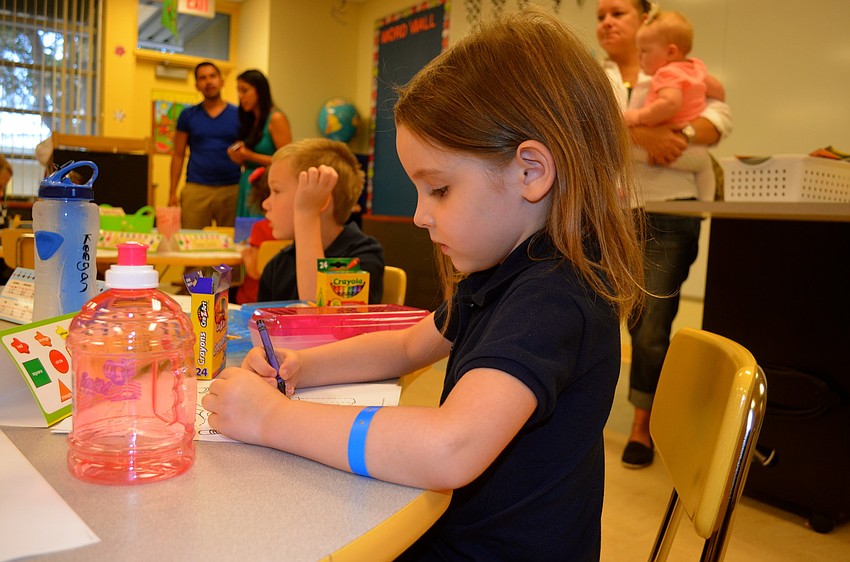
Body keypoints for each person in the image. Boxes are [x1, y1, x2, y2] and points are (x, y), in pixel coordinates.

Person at [203, 10, 644, 559]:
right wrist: (304, 365)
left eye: (438, 189)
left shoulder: (554, 296)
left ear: (531, 172)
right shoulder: (504, 270)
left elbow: (448, 447)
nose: (419, 214)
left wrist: (271, 418)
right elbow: (410, 344)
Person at [597, 0, 732, 468]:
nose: (607, 22)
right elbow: (589, 132)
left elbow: (718, 123)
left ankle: (642, 424)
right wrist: (646, 138)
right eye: (600, 15)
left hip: (672, 211)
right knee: (592, 315)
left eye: (618, 12)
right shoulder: (594, 76)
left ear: (645, 20)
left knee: (652, 325)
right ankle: (584, 415)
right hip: (609, 213)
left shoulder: (683, 70)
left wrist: (679, 131)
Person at [257, 138, 384, 304]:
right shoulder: (277, 266)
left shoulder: (363, 257)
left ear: (321, 200)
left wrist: (307, 213)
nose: (265, 203)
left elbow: (320, 310)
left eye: (276, 191)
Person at [623, 10, 726, 201]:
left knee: (632, 153)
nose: (640, 58)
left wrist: (638, 116)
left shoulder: (666, 74)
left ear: (671, 52)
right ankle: (706, 205)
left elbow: (670, 103)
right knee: (705, 167)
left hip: (674, 152)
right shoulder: (696, 68)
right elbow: (719, 92)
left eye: (644, 52)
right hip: (696, 151)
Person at [170, 61, 241, 229]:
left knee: (231, 242)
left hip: (232, 188)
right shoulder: (187, 115)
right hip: (196, 188)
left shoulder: (238, 115)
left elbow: (246, 152)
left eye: (212, 76)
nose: (208, 82)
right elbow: (178, 154)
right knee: (190, 241)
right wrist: (172, 192)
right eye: (202, 78)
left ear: (221, 81)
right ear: (197, 85)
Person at [228, 69, 292, 218]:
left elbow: (286, 160)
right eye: (239, 91)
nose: (241, 97)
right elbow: (247, 158)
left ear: (260, 91)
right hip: (248, 184)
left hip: (265, 186)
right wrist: (238, 156)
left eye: (245, 91)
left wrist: (249, 155)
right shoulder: (251, 120)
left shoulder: (276, 118)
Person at [234, 166, 275, 304]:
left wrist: (245, 253)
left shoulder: (261, 227)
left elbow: (254, 271)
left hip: (253, 297)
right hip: (278, 296)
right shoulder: (296, 231)